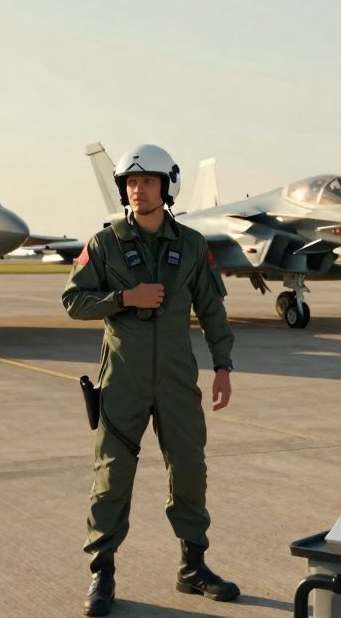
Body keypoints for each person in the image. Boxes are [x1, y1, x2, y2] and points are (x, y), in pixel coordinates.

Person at [62, 144, 239, 616]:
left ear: (167, 186)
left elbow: (212, 310)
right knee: (111, 476)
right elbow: (73, 302)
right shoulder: (104, 244)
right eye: (132, 183)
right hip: (123, 381)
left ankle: (192, 567)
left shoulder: (192, 244)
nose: (138, 190)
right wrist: (124, 297)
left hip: (177, 381)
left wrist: (223, 365)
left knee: (190, 470)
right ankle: (102, 574)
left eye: (148, 181)